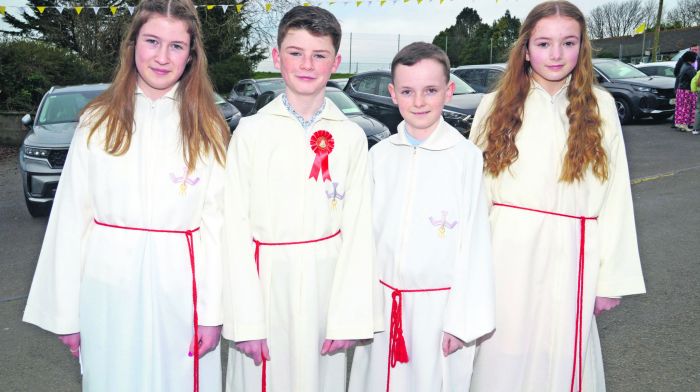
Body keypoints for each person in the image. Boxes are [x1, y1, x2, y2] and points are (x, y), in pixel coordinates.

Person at [22, 0, 229, 390]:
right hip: (108, 289)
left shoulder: (209, 128)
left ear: (191, 56)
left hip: (181, 292)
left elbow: (217, 226)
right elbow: (70, 219)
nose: (162, 57)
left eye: (176, 46)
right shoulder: (96, 122)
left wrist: (212, 313)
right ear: (133, 44)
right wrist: (66, 313)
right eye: (152, 41)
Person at [467, 1, 646, 391]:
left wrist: (609, 278)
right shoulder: (493, 106)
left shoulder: (601, 107)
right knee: (503, 355)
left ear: (582, 48)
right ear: (526, 48)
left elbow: (615, 196)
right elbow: (473, 196)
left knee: (561, 356)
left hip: (572, 253)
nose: (556, 54)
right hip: (506, 252)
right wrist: (469, 274)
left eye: (568, 43)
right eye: (544, 43)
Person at [222, 6, 375, 392]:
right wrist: (246, 320)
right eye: (295, 52)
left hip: (327, 287)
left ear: (336, 62)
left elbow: (359, 232)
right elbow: (234, 229)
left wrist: (347, 317)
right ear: (276, 57)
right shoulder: (251, 133)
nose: (307, 64)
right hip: (266, 286)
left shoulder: (352, 137)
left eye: (319, 55)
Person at [347, 42, 495, 392]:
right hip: (383, 309)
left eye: (430, 90)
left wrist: (462, 322)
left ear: (449, 91)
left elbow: (476, 243)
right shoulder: (379, 156)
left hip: (440, 312)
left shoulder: (465, 158)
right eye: (408, 91)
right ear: (392, 94)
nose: (419, 102)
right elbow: (362, 236)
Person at [674, 50, 698, 132]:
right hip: (687, 90)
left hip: (681, 90)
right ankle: (684, 125)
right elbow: (695, 79)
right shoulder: (690, 68)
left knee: (680, 107)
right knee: (687, 108)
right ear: (692, 58)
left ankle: (679, 123)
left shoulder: (684, 66)